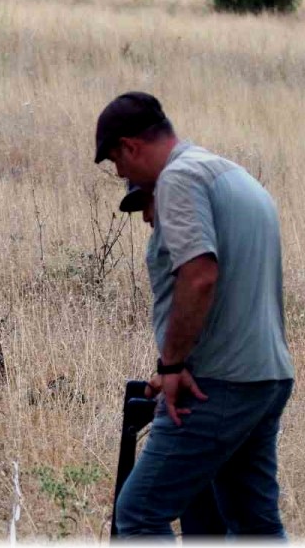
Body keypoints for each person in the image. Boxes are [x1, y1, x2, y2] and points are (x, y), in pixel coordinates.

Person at [97, 92, 295, 539]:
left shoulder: (178, 179)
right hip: (266, 377)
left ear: (130, 146)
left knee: (140, 515)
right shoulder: (229, 174)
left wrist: (172, 366)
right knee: (252, 525)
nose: (121, 174)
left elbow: (201, 276)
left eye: (116, 162)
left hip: (218, 387)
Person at [120, 182, 227, 539]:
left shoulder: (197, 256)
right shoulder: (197, 244)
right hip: (215, 388)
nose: (147, 217)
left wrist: (172, 370)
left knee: (138, 512)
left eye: (149, 205)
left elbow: (201, 311)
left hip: (210, 393)